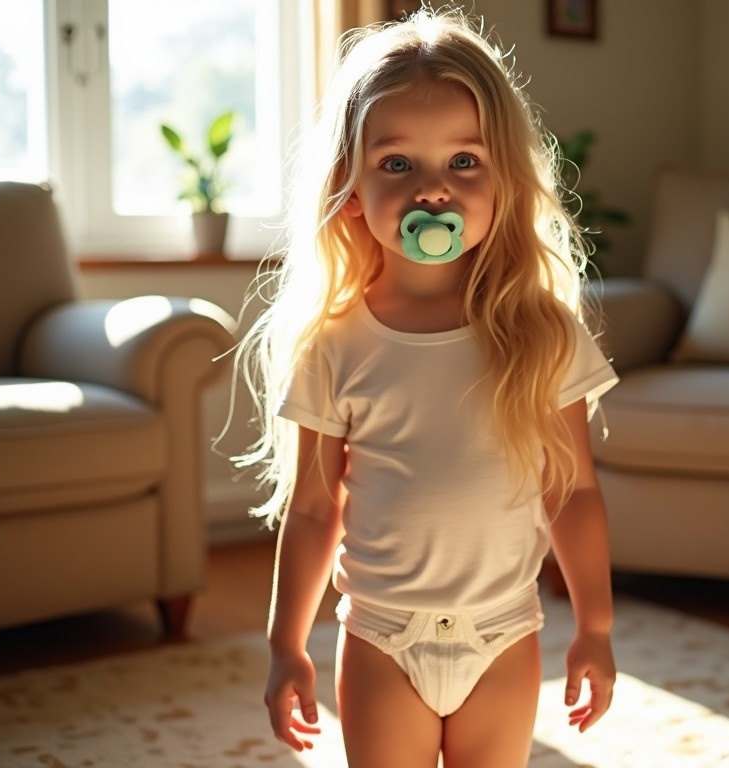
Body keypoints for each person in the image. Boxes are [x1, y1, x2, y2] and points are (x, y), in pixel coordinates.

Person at [234, 7, 618, 767]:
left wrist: (596, 628)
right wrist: (286, 648)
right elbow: (314, 507)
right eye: (398, 164)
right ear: (350, 183)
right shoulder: (335, 341)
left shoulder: (543, 332)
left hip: (503, 634)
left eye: (464, 162)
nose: (433, 192)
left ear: (505, 177)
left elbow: (571, 492)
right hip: (381, 638)